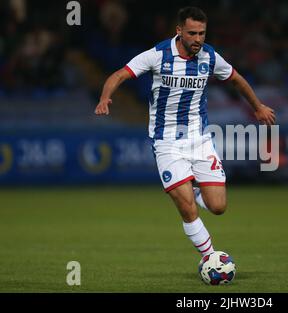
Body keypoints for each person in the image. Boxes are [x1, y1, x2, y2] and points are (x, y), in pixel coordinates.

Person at [94, 7, 276, 257]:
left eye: (202, 33)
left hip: (199, 140)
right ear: (179, 31)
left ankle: (197, 189)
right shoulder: (157, 55)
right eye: (192, 33)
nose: (198, 39)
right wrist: (105, 98)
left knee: (218, 207)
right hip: (166, 142)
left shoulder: (210, 57)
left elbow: (236, 79)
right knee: (188, 208)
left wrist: (257, 107)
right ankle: (211, 257)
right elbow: (119, 75)